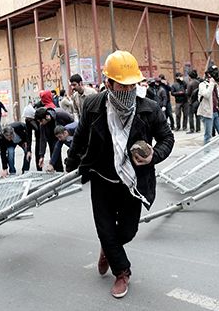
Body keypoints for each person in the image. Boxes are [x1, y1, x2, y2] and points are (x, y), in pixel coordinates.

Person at [65, 50, 174, 298]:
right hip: (101, 178)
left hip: (133, 181)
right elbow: (80, 138)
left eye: (132, 84)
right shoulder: (93, 106)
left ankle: (109, 248)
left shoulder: (149, 108)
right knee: (105, 227)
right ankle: (122, 272)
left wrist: (152, 156)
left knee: (127, 231)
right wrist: (70, 165)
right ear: (108, 83)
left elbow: (167, 138)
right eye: (122, 85)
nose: (128, 90)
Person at [34, 106, 74, 172]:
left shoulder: (60, 114)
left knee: (73, 150)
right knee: (54, 153)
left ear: (46, 117)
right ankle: (59, 172)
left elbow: (73, 123)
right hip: (52, 137)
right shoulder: (42, 125)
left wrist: (69, 135)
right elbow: (43, 139)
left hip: (65, 133)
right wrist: (41, 155)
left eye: (41, 121)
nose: (40, 123)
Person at [198, 65, 219, 144]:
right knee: (208, 135)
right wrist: (211, 84)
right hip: (207, 113)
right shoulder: (202, 85)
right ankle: (207, 153)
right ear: (209, 74)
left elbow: (217, 96)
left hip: (216, 112)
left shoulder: (216, 85)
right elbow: (206, 95)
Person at [23, 104, 42, 171]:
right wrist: (29, 150)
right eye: (26, 118)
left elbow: (39, 130)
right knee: (37, 151)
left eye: (28, 118)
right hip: (37, 136)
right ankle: (39, 169)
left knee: (40, 151)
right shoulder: (28, 121)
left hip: (42, 135)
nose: (26, 119)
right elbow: (29, 136)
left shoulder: (38, 119)